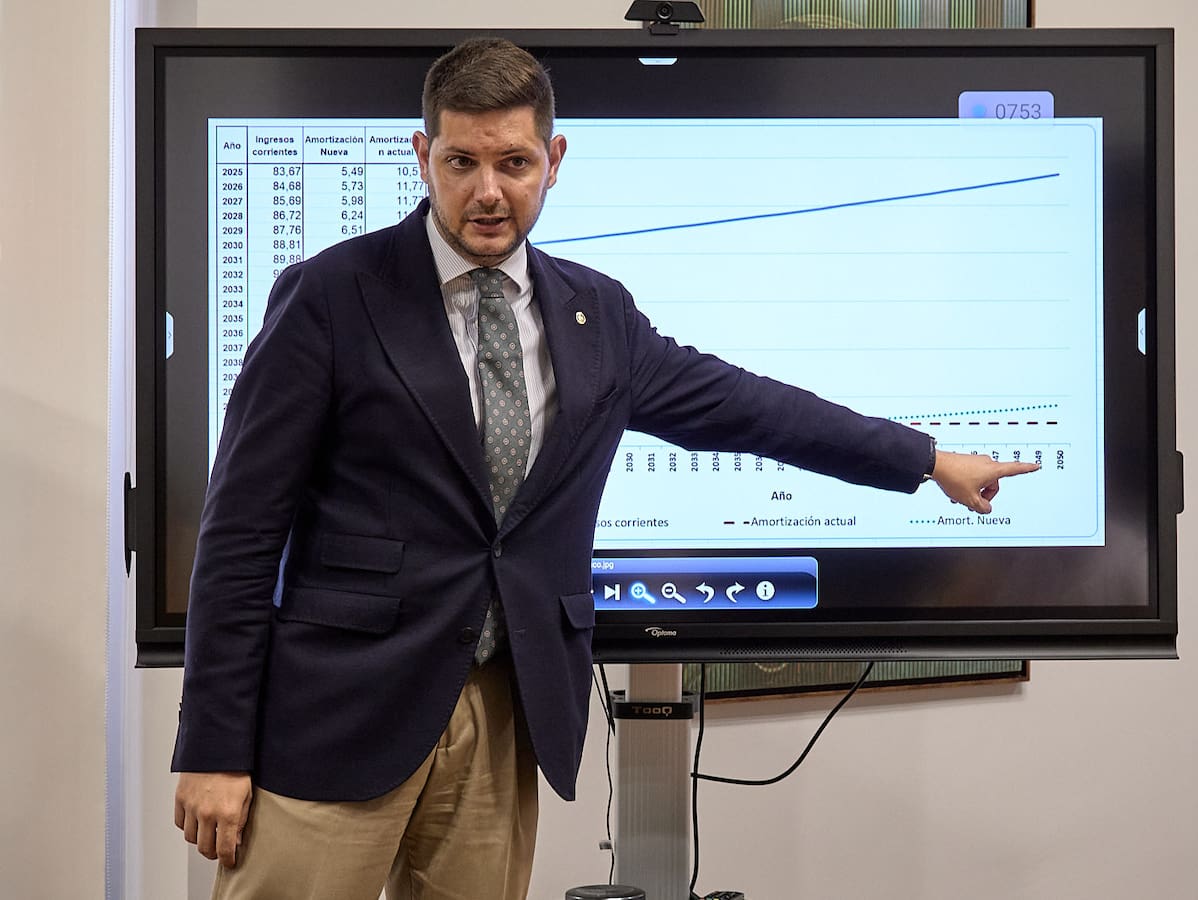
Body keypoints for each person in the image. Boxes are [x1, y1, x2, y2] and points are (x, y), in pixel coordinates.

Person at [172, 36, 1038, 900]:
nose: (487, 191)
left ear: (553, 160)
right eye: (461, 161)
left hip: (503, 709)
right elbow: (240, 534)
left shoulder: (596, 313)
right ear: (422, 155)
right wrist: (213, 748)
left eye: (514, 163)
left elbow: (748, 407)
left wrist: (925, 458)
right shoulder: (332, 295)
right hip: (336, 715)